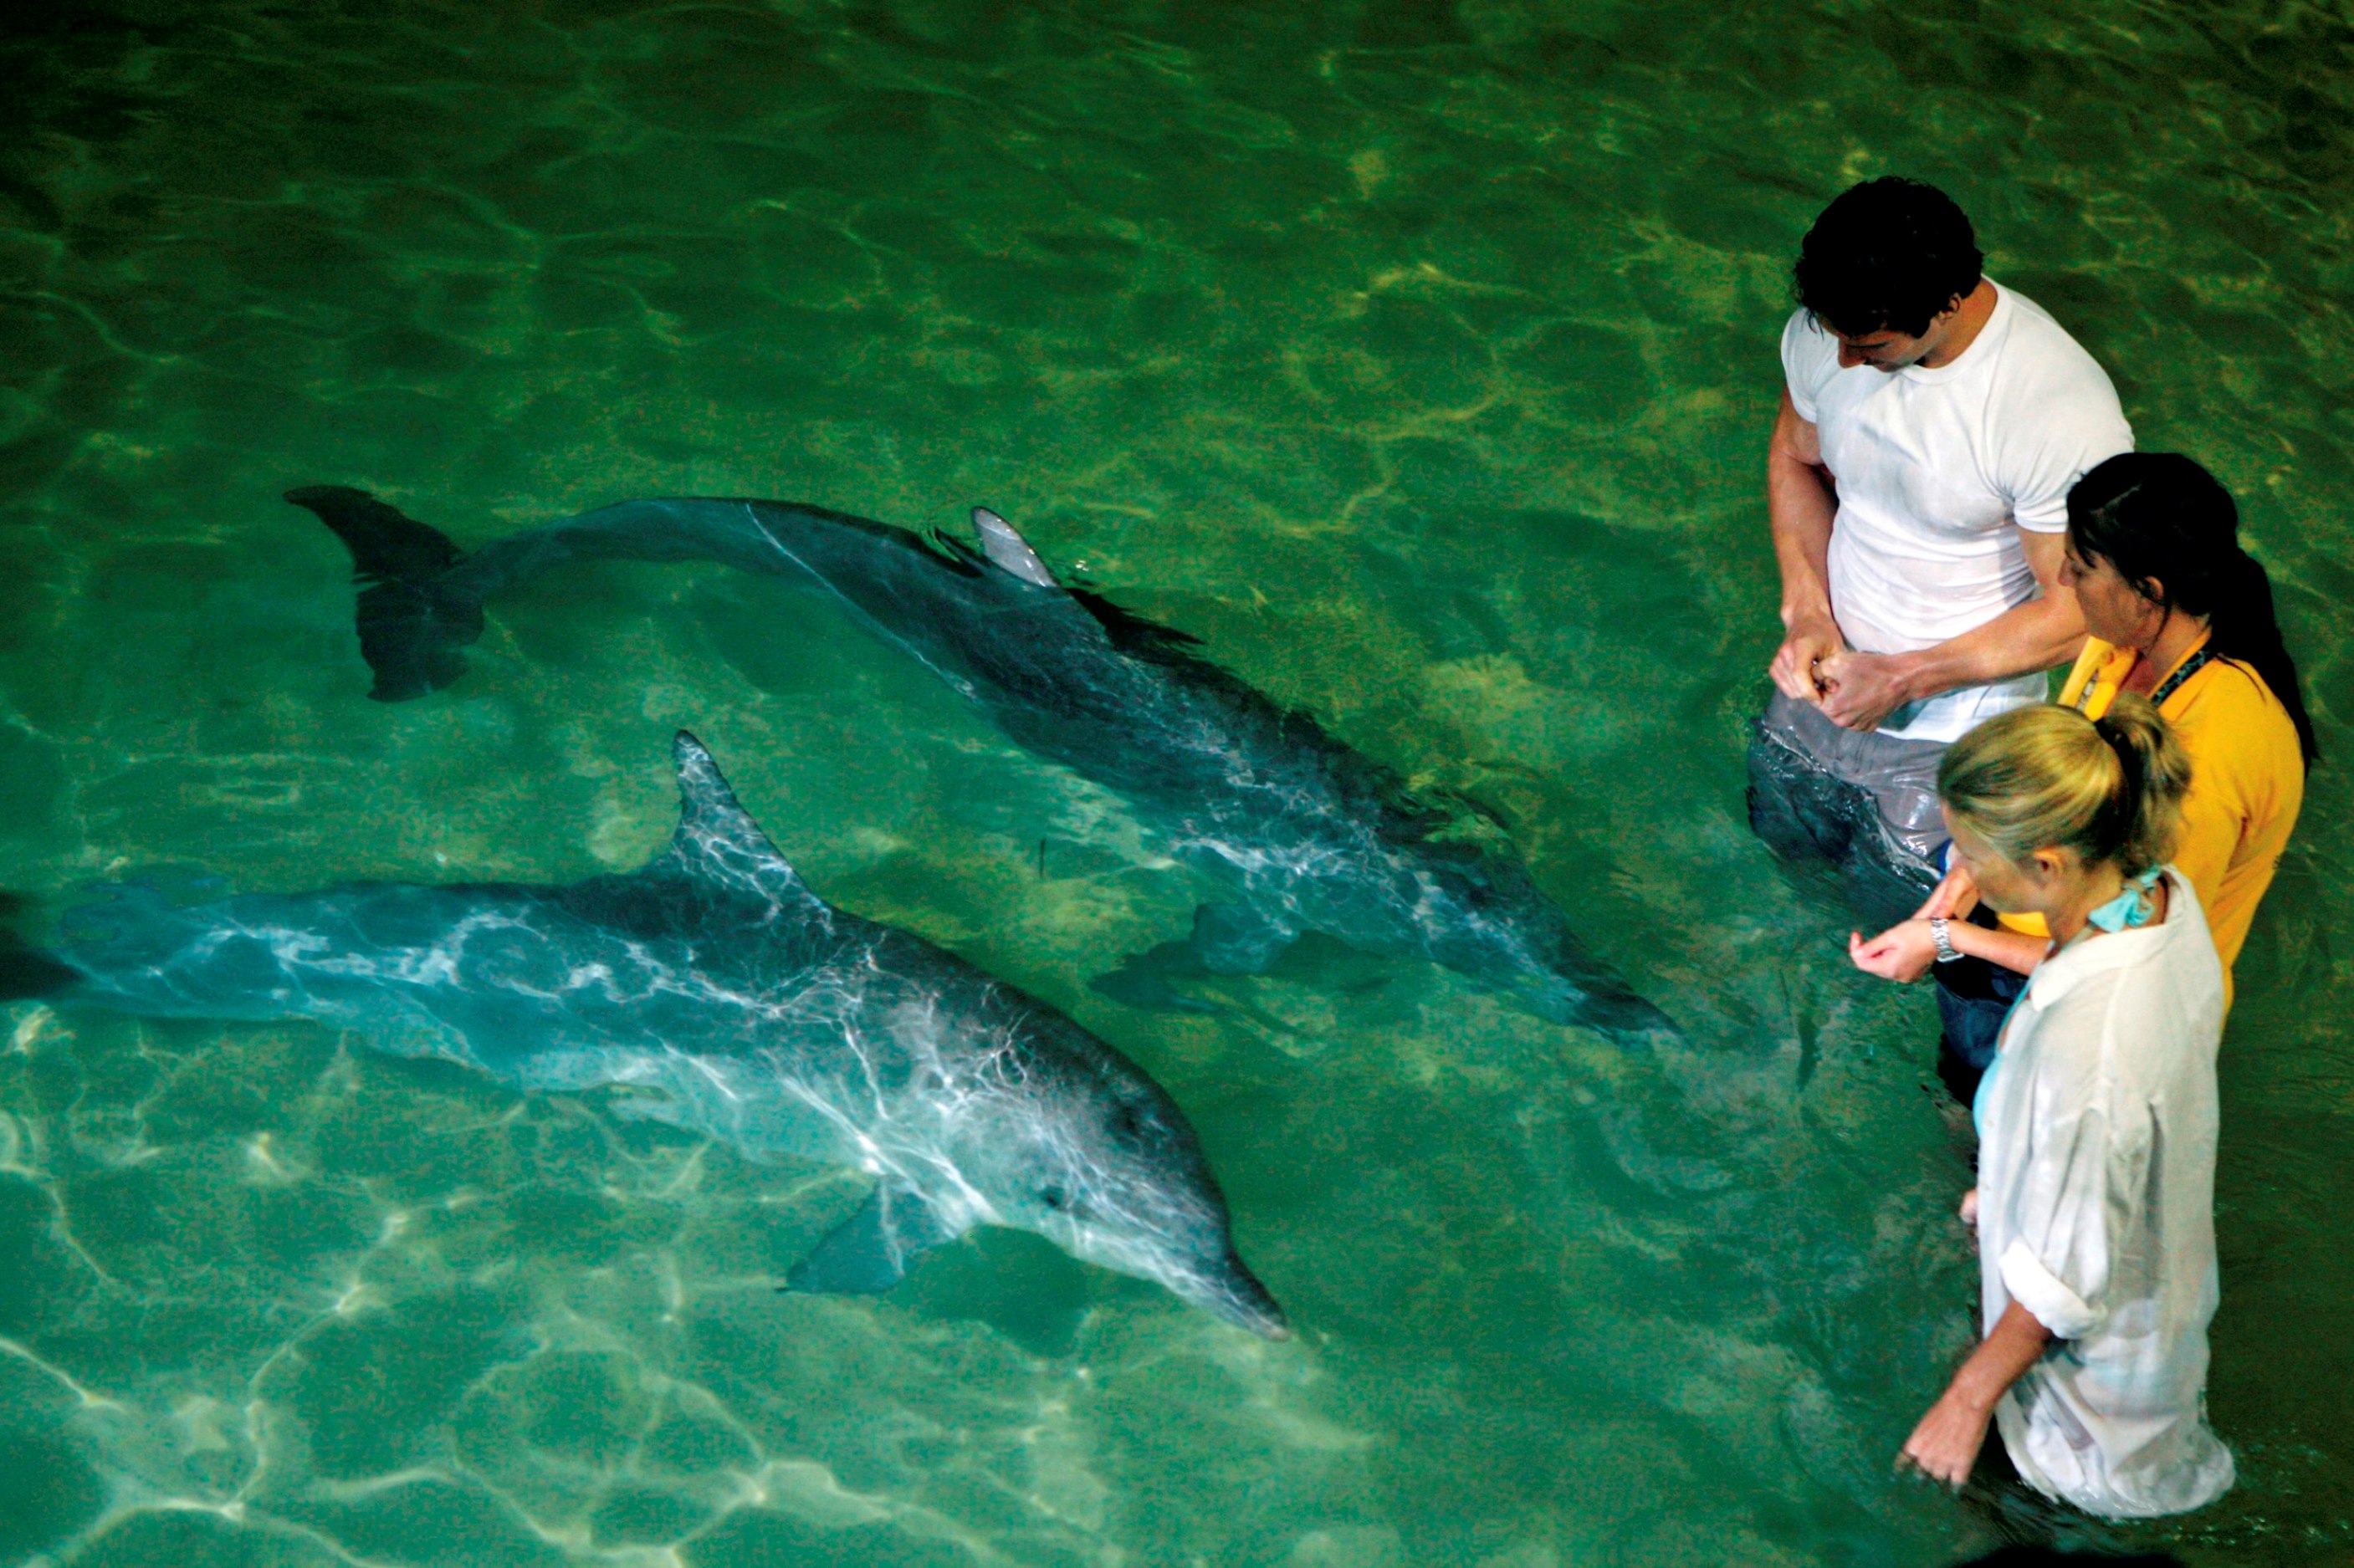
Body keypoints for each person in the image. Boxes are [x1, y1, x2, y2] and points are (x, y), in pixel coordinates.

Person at [1850, 452, 2314, 1094]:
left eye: (2083, 566)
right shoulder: (2124, 639)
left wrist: (1945, 935)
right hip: (2019, 945)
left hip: (2095, 1018)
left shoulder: (2215, 750)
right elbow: (2048, 793)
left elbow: (2128, 963)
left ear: (2148, 591)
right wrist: (1958, 889)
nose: (2063, 579)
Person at [1752, 176, 2133, 922]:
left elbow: (2081, 608)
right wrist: (1806, 614)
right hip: (1821, 679)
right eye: (1834, 337)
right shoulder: (1829, 337)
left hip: (1956, 738)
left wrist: (1903, 676)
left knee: (1888, 926)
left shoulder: (2052, 408)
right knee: (1776, 856)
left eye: (1871, 345)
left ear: (1949, 303)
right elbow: (1794, 457)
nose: (1847, 363)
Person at [1894, 695, 2234, 1518]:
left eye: (1973, 854)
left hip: (2089, 1419)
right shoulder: (2157, 895)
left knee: (2038, 1517)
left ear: (2046, 866)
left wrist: (1965, 1401)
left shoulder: (2098, 1052)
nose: (1959, 868)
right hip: (2152, 1282)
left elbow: (2063, 1285)